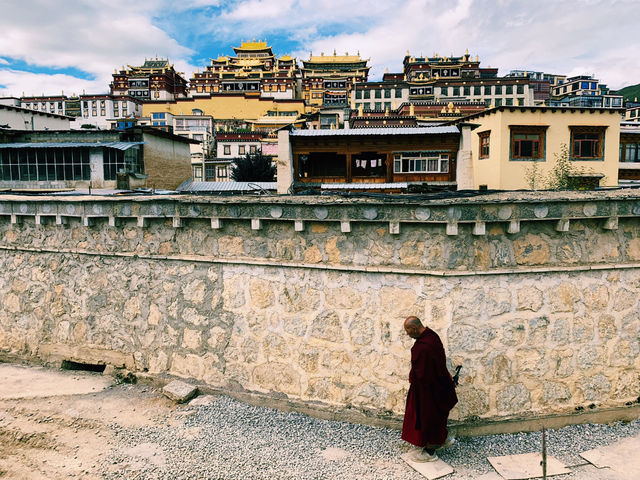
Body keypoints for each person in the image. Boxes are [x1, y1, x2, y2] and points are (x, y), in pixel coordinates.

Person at [401, 316, 458, 462]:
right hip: (440, 385)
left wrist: (413, 383)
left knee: (427, 418)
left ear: (414, 329)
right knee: (437, 418)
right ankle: (443, 439)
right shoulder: (432, 336)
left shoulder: (422, 347)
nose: (408, 335)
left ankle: (430, 453)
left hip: (428, 391)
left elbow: (422, 375)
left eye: (408, 332)